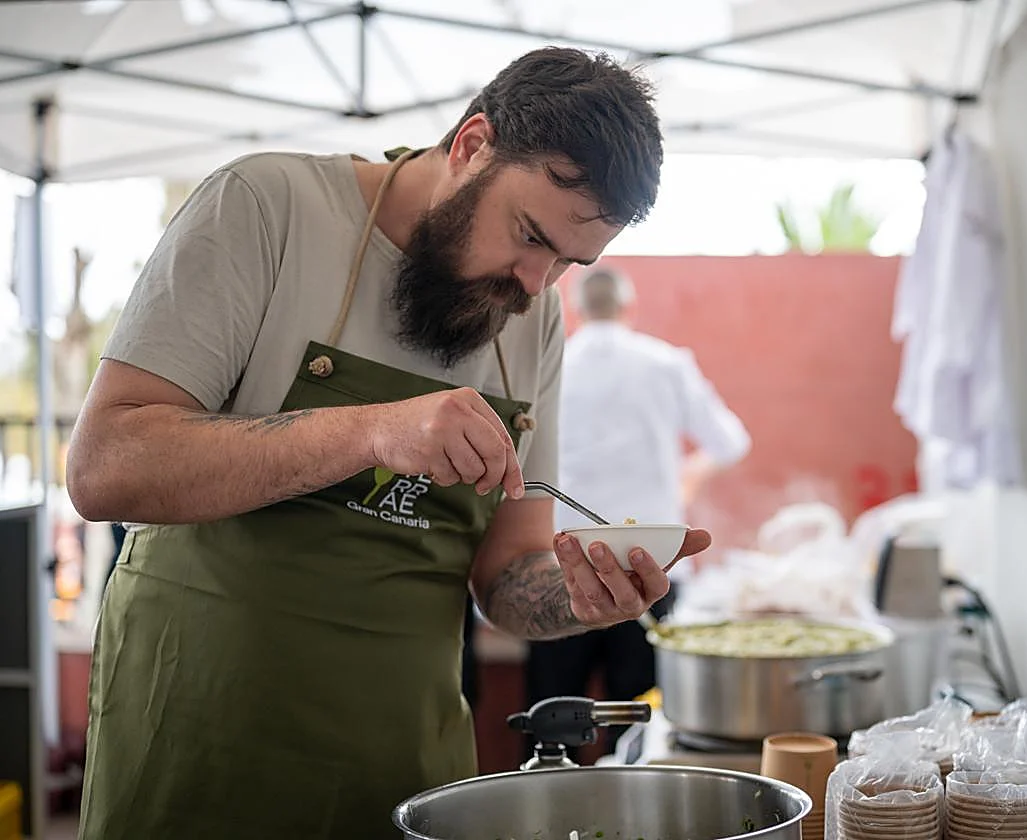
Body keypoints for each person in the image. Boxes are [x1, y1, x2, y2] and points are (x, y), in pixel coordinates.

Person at [65, 47, 711, 839]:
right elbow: (105, 466)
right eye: (529, 234)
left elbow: (506, 576)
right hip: (196, 744)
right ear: (472, 143)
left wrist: (576, 601)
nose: (536, 283)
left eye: (567, 263)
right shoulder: (269, 206)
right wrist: (372, 428)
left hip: (402, 767)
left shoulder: (531, 316)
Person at [525, 265, 750, 747]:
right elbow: (731, 441)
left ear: (578, 309)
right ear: (628, 307)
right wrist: (689, 477)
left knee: (549, 723)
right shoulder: (665, 364)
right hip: (651, 568)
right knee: (638, 728)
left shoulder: (551, 363)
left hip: (561, 567)